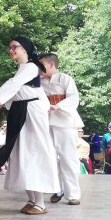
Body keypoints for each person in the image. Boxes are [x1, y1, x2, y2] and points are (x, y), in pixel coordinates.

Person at [0, 37, 59, 215]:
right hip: (20, 111)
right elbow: (17, 91)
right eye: (10, 47)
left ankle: (40, 203)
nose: (11, 50)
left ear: (25, 49)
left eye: (15, 47)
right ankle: (31, 198)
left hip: (31, 113)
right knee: (21, 152)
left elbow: (13, 85)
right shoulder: (22, 69)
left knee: (34, 151)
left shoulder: (31, 66)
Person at [39, 53, 84, 206]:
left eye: (42, 64)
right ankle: (57, 188)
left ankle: (73, 193)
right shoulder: (39, 82)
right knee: (50, 157)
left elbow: (73, 98)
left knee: (67, 157)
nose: (39, 68)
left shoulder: (65, 79)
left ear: (51, 64)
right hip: (46, 121)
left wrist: (58, 105)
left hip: (65, 121)